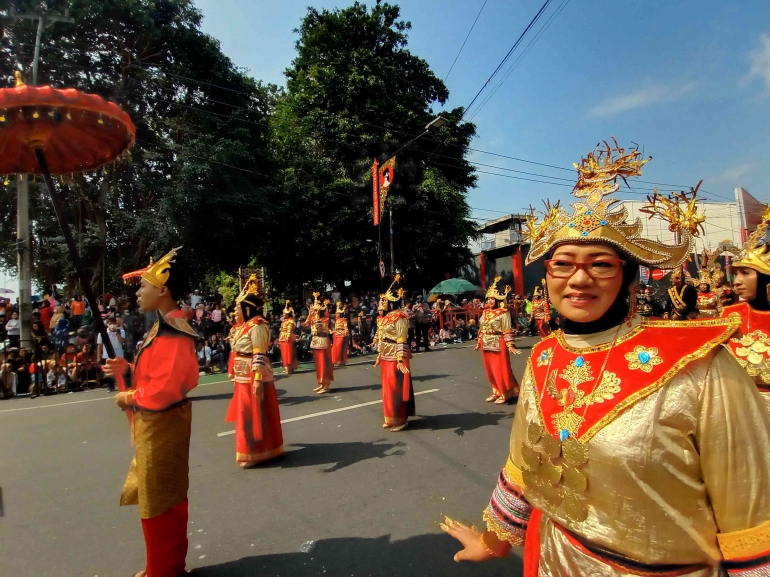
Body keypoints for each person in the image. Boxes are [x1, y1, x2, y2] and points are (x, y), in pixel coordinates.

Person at [444, 141, 770, 575]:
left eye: (600, 264)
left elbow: (752, 512)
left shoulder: (701, 367)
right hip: (554, 559)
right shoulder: (543, 357)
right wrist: (495, 539)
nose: (579, 279)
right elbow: (525, 463)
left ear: (629, 279)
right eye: (562, 264)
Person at [105, 246, 199, 577]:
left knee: (162, 501)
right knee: (157, 496)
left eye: (143, 285)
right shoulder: (164, 328)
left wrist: (129, 397)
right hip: (158, 426)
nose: (138, 291)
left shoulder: (173, 332)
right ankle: (161, 566)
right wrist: (127, 369)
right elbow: (157, 376)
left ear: (163, 290)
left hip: (163, 424)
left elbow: (163, 390)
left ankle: (164, 569)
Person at [224, 274, 283, 468]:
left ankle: (258, 451)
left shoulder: (257, 325)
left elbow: (259, 352)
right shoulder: (241, 327)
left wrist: (257, 378)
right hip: (242, 375)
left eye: (237, 307)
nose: (235, 310)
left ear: (246, 308)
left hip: (253, 374)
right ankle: (252, 450)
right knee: (245, 413)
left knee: (255, 413)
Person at [721, 208, 770, 412]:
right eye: (736, 274)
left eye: (745, 273)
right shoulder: (730, 316)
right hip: (741, 409)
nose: (737, 282)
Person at [373, 275, 415, 432]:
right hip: (385, 355)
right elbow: (382, 337)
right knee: (387, 389)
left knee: (396, 387)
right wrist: (378, 355)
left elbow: (401, 339)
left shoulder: (400, 317)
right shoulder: (385, 318)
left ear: (392, 302)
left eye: (385, 301)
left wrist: (400, 359)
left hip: (396, 356)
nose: (382, 303)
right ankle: (390, 417)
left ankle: (401, 419)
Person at [476, 276, 521, 404]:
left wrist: (510, 345)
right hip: (486, 342)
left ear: (498, 300)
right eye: (489, 298)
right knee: (490, 369)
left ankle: (505, 392)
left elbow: (507, 329)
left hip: (498, 342)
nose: (490, 301)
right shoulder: (485, 313)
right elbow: (481, 328)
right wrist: (479, 341)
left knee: (500, 368)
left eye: (492, 299)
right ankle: (496, 391)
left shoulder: (503, 312)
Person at [304, 292, 334, 393]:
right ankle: (321, 383)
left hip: (322, 341)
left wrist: (316, 321)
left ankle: (326, 385)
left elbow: (319, 329)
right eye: (314, 310)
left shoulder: (324, 319)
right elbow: (306, 324)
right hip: (316, 341)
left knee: (323, 363)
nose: (315, 311)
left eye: (316, 310)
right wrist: (309, 314)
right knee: (318, 364)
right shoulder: (313, 318)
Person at [97, 316, 125, 392]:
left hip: (119, 354)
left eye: (114, 323)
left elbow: (122, 341)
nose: (113, 325)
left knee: (120, 371)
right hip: (107, 355)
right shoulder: (102, 333)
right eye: (110, 323)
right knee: (109, 372)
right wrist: (98, 356)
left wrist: (116, 333)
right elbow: (100, 345)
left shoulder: (121, 331)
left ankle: (121, 385)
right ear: (107, 324)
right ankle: (111, 386)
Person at [278, 301, 299, 374]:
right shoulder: (284, 321)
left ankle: (290, 368)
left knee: (288, 353)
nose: (283, 315)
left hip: (288, 338)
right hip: (283, 338)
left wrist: (287, 337)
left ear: (288, 314)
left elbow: (289, 330)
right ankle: (286, 367)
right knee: (284, 353)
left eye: (284, 314)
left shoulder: (290, 321)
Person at [331, 301, 349, 367]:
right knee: (334, 348)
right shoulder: (336, 320)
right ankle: (334, 360)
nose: (336, 314)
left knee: (339, 349)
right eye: (336, 313)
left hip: (341, 335)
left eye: (337, 313)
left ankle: (340, 361)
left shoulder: (343, 320)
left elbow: (346, 327)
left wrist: (345, 332)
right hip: (336, 335)